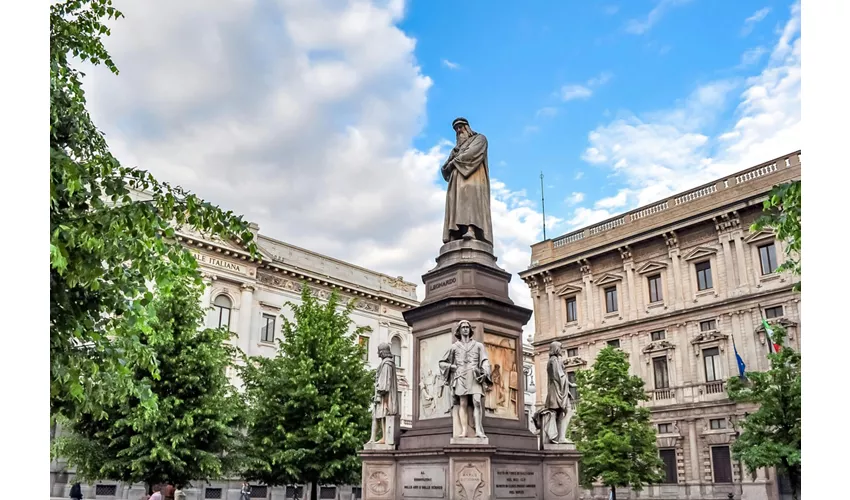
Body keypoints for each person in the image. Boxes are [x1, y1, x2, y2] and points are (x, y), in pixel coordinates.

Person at [440, 118, 494, 245]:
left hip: (472, 178)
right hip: (455, 182)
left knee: (471, 202)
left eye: (460, 127)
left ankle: (472, 229)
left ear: (467, 127)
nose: (459, 131)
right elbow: (445, 168)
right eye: (456, 129)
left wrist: (454, 162)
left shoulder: (479, 139)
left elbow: (472, 154)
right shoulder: (455, 150)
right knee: (456, 204)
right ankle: (456, 232)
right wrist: (448, 164)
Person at [438, 320, 492, 438]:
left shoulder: (478, 346)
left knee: (477, 401)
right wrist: (452, 367)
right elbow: (442, 363)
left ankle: (478, 429)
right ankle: (464, 430)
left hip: (474, 376)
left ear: (470, 330)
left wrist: (485, 371)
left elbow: (484, 360)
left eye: (467, 327)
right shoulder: (454, 347)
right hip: (461, 376)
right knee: (463, 403)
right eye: (463, 327)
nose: (465, 329)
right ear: (459, 330)